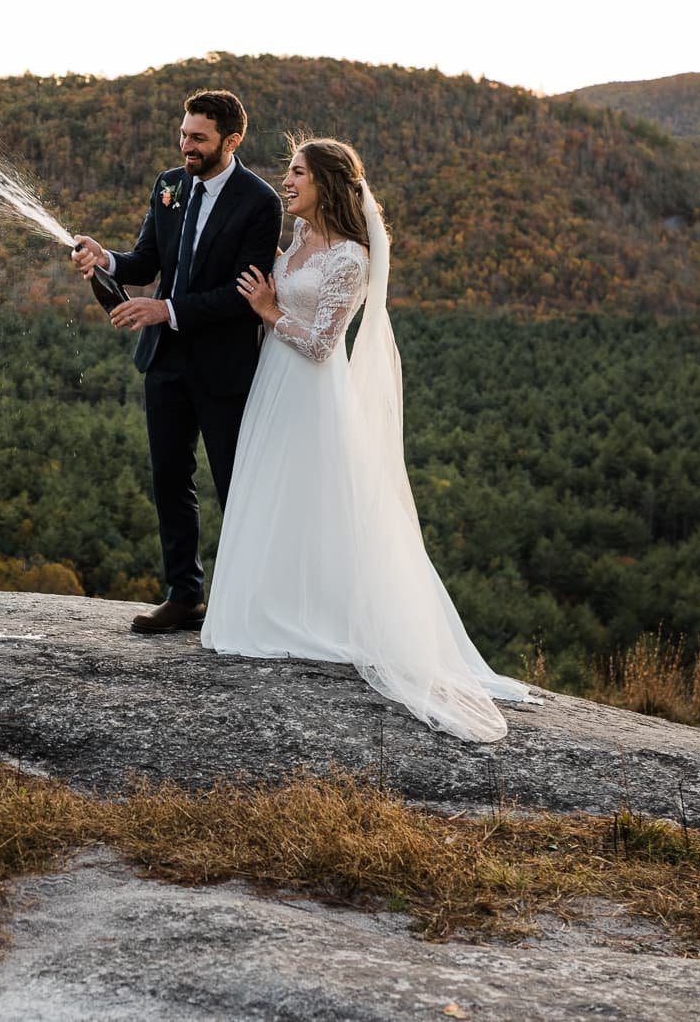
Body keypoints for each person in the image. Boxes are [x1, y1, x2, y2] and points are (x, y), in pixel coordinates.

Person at [204, 137, 539, 741]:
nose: (287, 181)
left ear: (326, 184)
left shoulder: (352, 259)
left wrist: (266, 310)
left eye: (298, 173)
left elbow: (320, 344)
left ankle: (320, 618)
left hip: (311, 393)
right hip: (272, 386)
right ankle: (267, 609)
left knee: (312, 502)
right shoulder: (299, 241)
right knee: (271, 497)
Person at [72, 90, 283, 633]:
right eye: (183, 134)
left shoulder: (259, 202)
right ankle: (184, 594)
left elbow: (243, 296)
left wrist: (163, 309)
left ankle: (249, 603)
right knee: (169, 475)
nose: (185, 145)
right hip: (165, 361)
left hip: (225, 365)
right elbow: (146, 259)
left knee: (235, 482)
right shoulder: (168, 185)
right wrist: (106, 258)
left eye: (198, 138)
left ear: (230, 141)